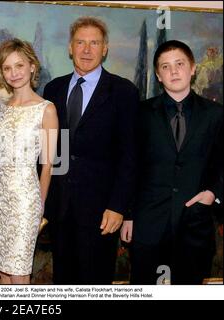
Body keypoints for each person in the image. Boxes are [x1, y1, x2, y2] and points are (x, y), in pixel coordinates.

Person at [43, 16, 139, 284]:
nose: (87, 50)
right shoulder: (54, 89)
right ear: (70, 48)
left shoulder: (123, 91)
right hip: (60, 208)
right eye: (80, 42)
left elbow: (129, 155)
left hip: (101, 211)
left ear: (105, 48)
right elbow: (50, 150)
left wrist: (119, 207)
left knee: (94, 281)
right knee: (62, 280)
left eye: (94, 43)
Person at [121, 40, 223, 284]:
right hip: (147, 226)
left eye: (179, 64)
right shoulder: (140, 113)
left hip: (194, 225)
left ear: (193, 68)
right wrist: (128, 215)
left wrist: (212, 193)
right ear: (158, 74)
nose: (173, 71)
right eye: (165, 67)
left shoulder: (216, 114)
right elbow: (129, 166)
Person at [0, 39, 58, 284]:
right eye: (7, 68)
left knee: (19, 270)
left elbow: (48, 165)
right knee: (4, 269)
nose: (13, 73)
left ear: (32, 66)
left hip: (25, 201)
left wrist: (40, 208)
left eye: (19, 65)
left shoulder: (46, 109)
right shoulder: (0, 109)